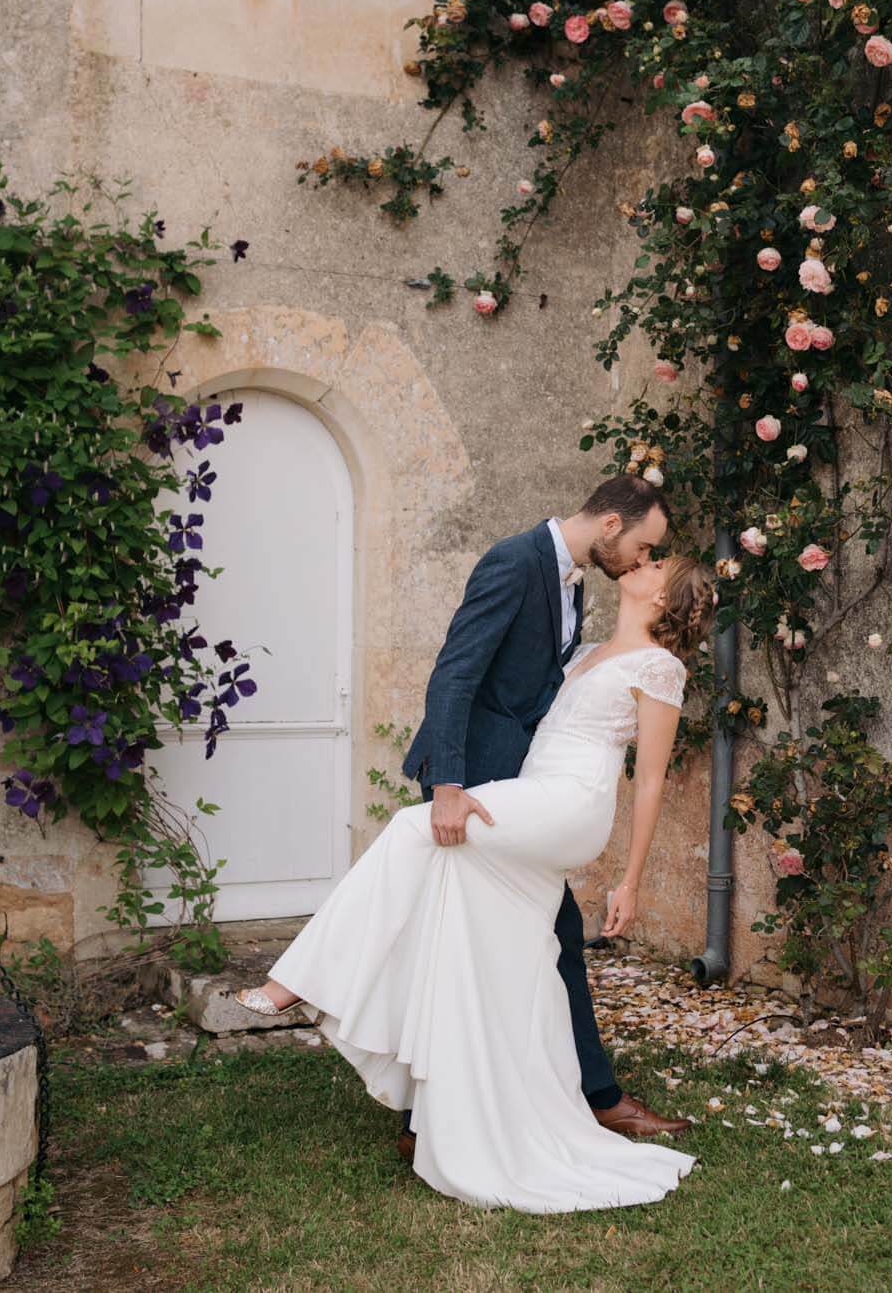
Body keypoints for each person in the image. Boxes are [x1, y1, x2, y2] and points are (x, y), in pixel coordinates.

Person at [238, 480, 715, 1212]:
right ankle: (452, 1110)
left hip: (555, 802)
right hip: (498, 784)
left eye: (651, 561)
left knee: (443, 871)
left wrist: (630, 879)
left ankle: (303, 981)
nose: (640, 561)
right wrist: (451, 782)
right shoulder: (518, 564)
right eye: (644, 547)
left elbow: (646, 780)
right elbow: (458, 671)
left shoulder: (625, 637)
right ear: (612, 523)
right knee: (472, 941)